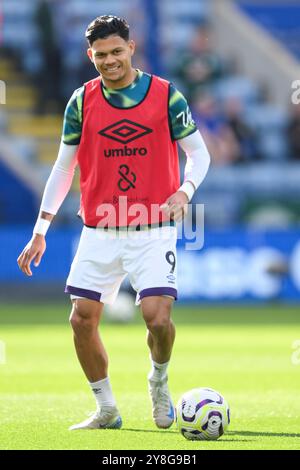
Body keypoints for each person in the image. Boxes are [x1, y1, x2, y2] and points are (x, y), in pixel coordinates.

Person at [17, 15, 210, 431]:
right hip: (99, 230)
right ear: (91, 56)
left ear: (131, 48)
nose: (110, 61)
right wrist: (40, 230)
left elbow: (200, 154)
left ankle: (158, 380)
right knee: (80, 319)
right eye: (101, 55)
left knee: (158, 318)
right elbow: (62, 169)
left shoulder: (166, 95)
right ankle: (106, 408)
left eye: (116, 52)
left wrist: (185, 191)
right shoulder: (81, 101)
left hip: (152, 227)